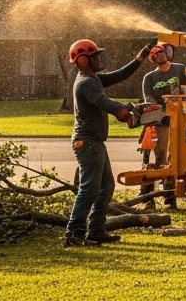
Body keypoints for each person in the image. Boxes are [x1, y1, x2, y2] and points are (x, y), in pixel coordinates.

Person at [64, 38, 150, 248]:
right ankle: (73, 233)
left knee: (106, 186)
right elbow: (104, 102)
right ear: (82, 60)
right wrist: (125, 108)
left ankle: (95, 231)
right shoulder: (86, 83)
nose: (98, 59)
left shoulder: (93, 79)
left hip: (95, 143)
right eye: (94, 56)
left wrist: (139, 59)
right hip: (88, 143)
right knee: (89, 189)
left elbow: (119, 75)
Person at [139, 43, 186, 210]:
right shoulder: (150, 78)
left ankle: (170, 199)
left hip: (177, 121)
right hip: (158, 122)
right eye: (156, 54)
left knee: (172, 160)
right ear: (153, 59)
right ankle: (147, 198)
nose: (160, 56)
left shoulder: (180, 70)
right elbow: (148, 98)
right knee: (156, 160)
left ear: (168, 53)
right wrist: (159, 108)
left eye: (162, 52)